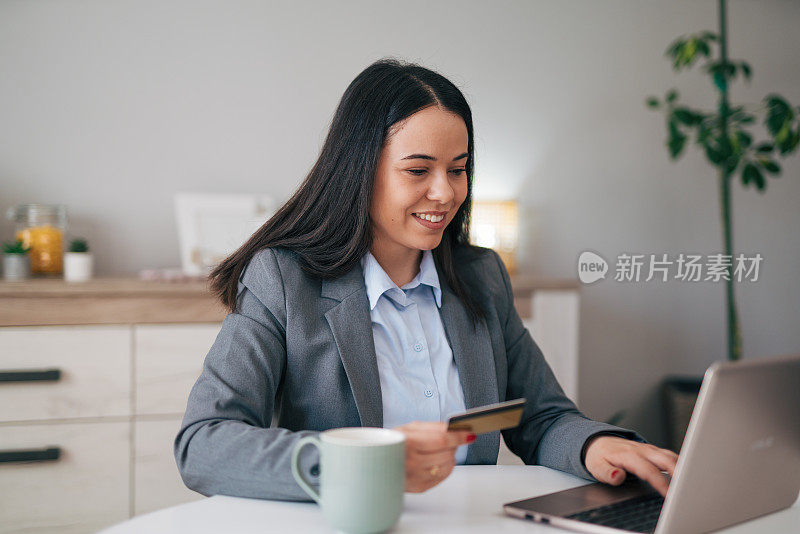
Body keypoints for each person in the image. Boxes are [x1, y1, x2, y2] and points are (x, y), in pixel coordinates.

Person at [174, 58, 678, 501]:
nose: (444, 192)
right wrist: (361, 462)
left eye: (458, 169)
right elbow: (204, 442)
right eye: (418, 171)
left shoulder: (482, 278)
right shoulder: (284, 278)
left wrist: (594, 444)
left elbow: (539, 417)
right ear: (359, 171)